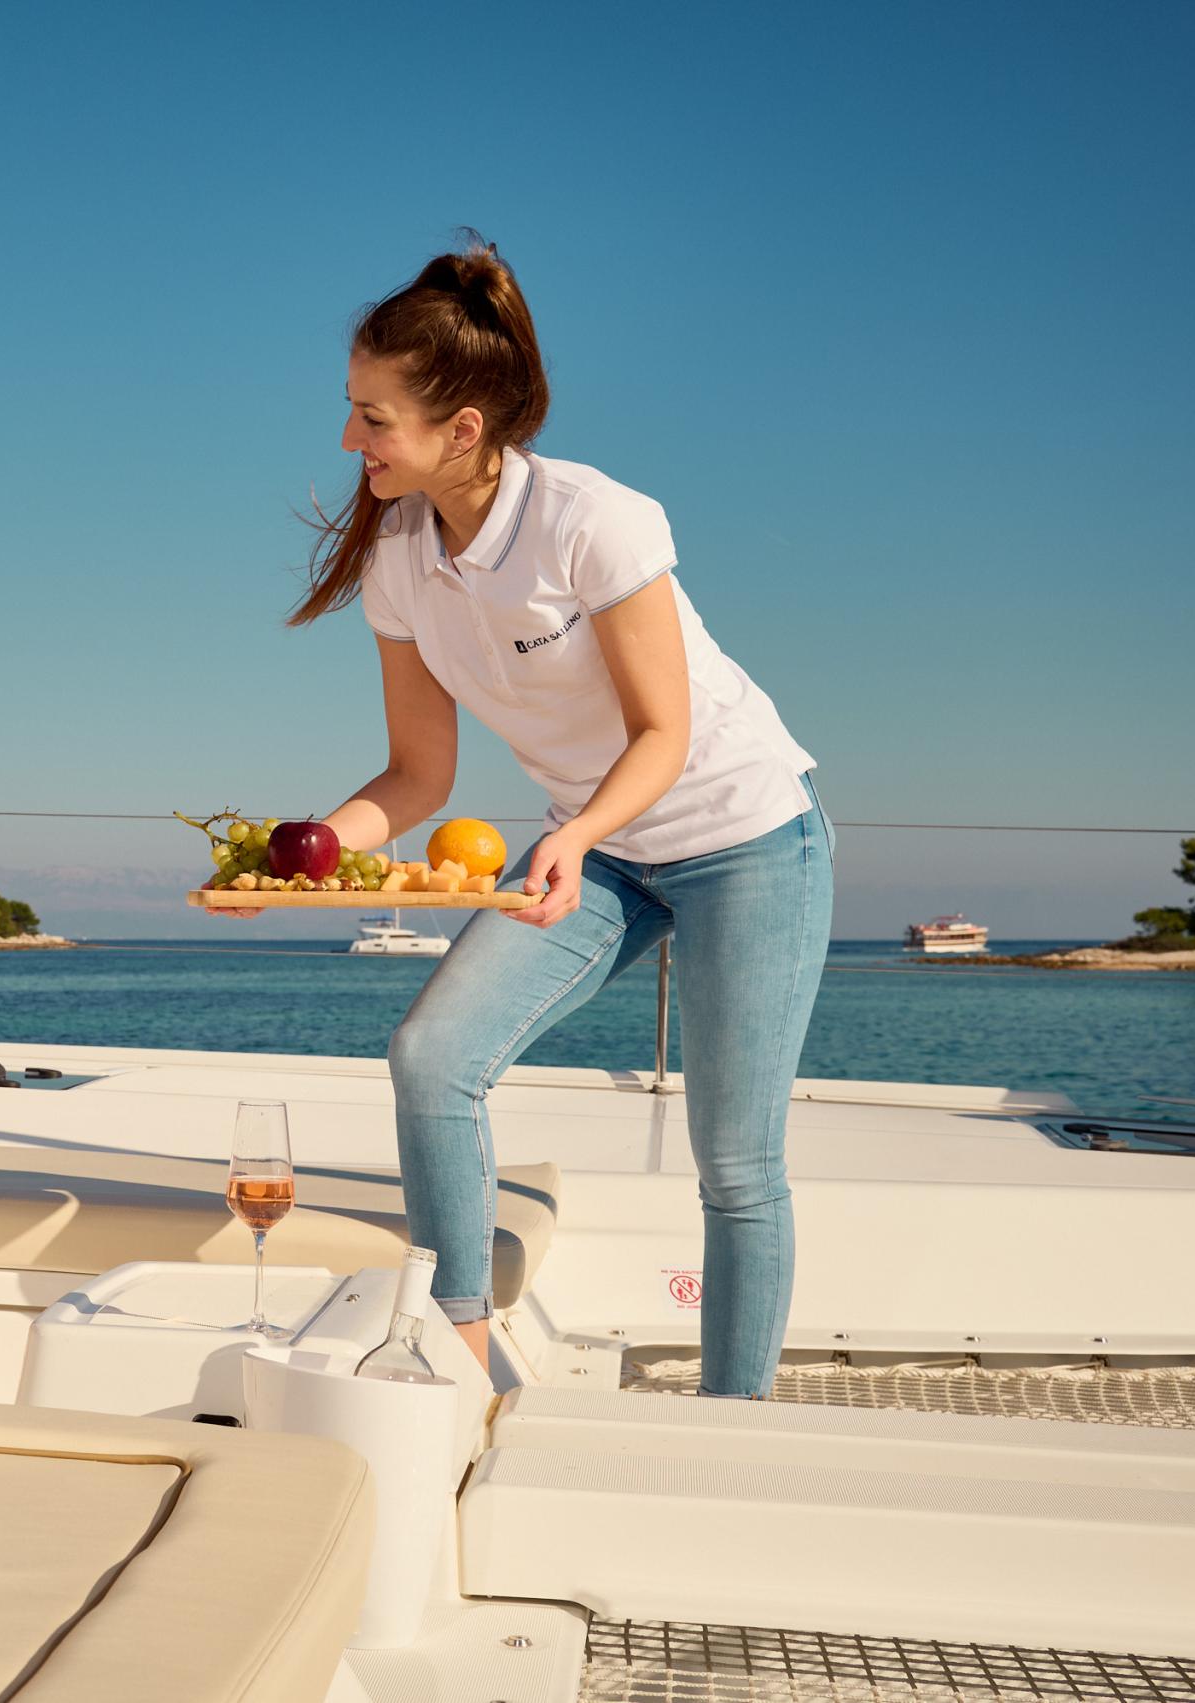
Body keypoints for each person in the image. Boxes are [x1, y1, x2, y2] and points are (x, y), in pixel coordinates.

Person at [255, 237, 832, 1397]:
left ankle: (736, 1424)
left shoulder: (591, 519)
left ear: (461, 428)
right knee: (432, 1057)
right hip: (600, 848)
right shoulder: (401, 560)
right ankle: (459, 1362)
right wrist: (297, 858)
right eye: (352, 409)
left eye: (373, 417)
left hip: (744, 837)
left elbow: (662, 732)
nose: (350, 439)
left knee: (734, 1162)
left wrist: (571, 834)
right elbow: (416, 776)